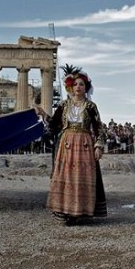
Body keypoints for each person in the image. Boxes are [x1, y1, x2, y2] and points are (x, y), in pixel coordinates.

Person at [35, 65, 107, 225]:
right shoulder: (63, 105)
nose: (79, 87)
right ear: (71, 87)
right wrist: (42, 114)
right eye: (76, 84)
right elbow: (54, 124)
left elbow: (98, 127)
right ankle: (67, 211)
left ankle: (79, 212)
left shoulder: (91, 107)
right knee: (67, 177)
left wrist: (99, 145)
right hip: (66, 144)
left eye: (82, 84)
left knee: (82, 177)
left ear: (85, 87)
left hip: (84, 144)